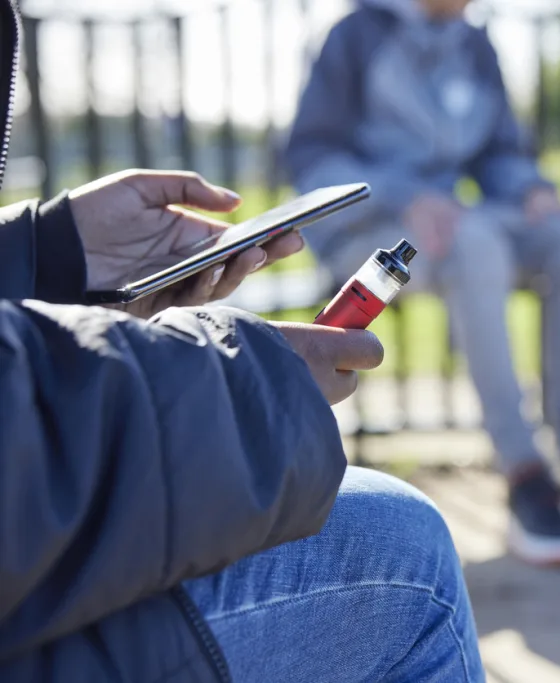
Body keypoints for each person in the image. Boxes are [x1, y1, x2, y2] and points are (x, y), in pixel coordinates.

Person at [0, 1, 484, 680]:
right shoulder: (360, 37)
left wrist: (45, 253)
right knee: (403, 557)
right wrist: (250, 383)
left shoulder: (473, 43)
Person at [284, 0, 560, 566]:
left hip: (456, 221)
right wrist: (405, 193)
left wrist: (531, 189)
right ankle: (523, 472)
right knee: (477, 241)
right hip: (369, 229)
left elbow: (499, 155)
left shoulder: (475, 45)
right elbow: (310, 157)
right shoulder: (354, 36)